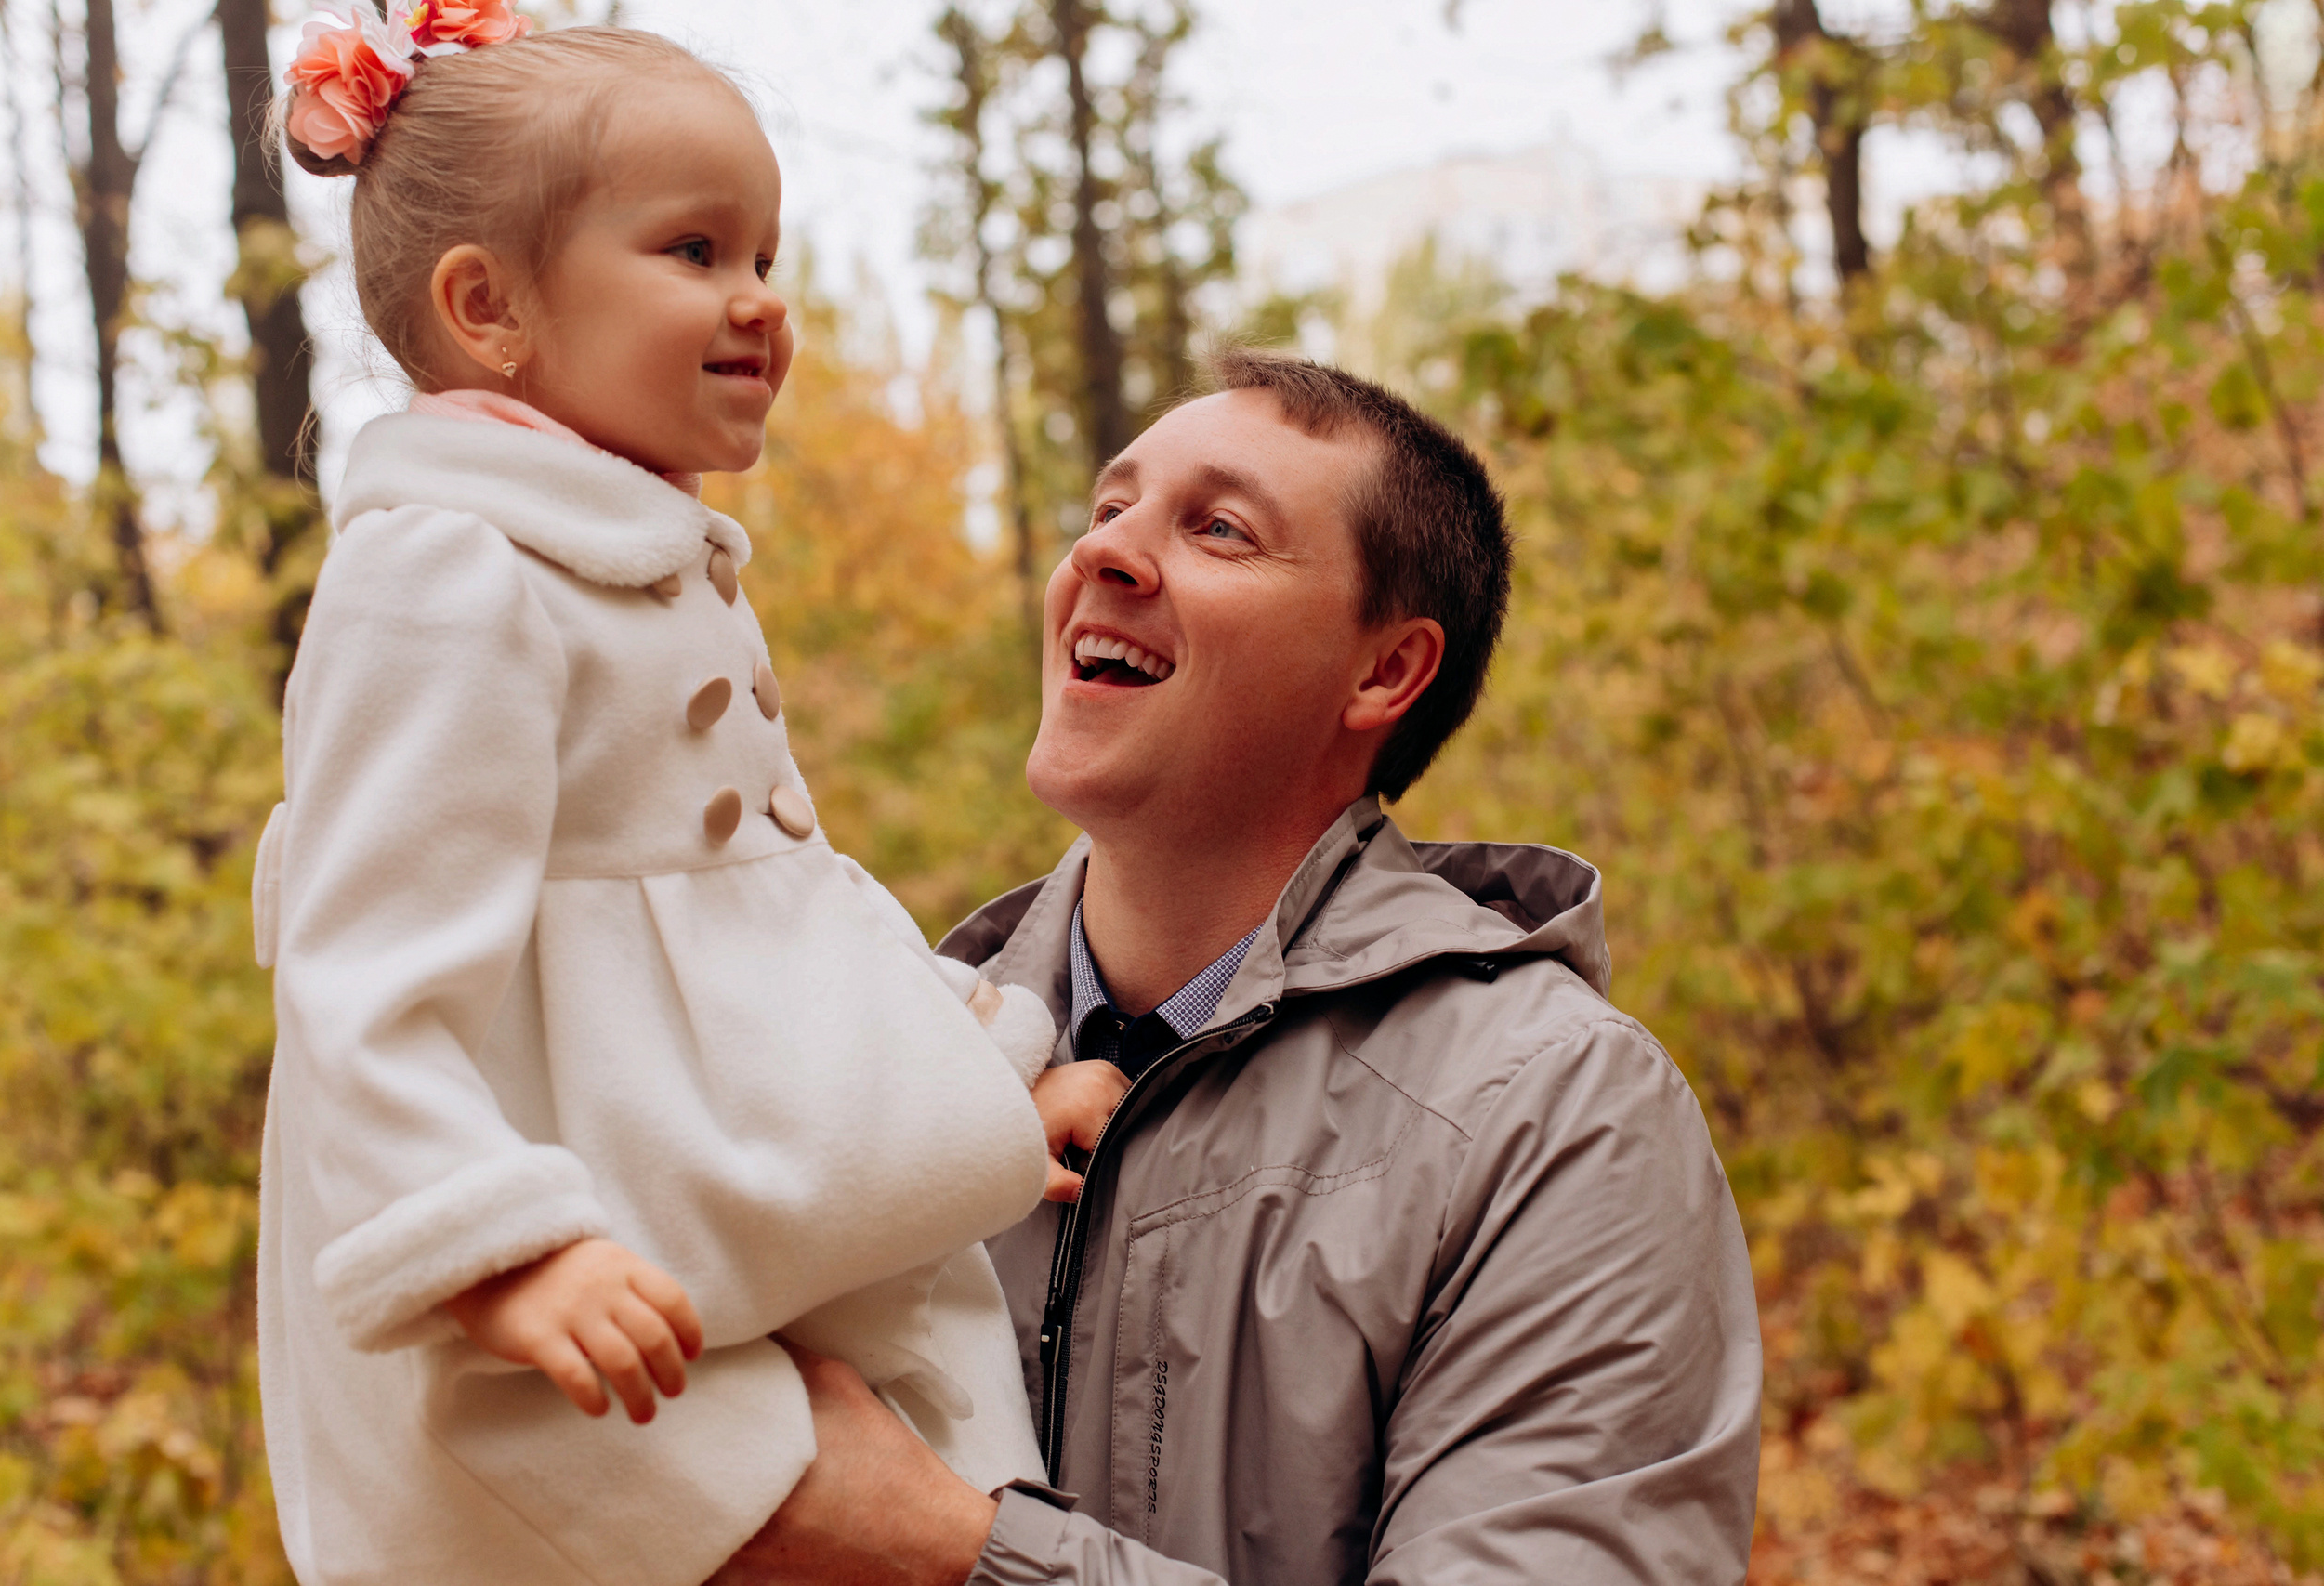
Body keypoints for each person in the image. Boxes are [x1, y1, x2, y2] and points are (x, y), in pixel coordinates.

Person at [250, 11, 1127, 1585]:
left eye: (767, 254)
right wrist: (498, 1253)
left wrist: (980, 1082)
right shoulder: (447, 569)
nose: (762, 299)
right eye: (695, 249)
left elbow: (765, 925)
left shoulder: (636, 559)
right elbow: (361, 972)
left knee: (939, 1459)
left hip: (714, 1222)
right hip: (586, 1275)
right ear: (488, 308)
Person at [727, 350, 1765, 1586]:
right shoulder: (887, 1049)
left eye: (1220, 529)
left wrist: (963, 1557)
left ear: (1385, 671)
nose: (1104, 552)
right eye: (1110, 507)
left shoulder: (1556, 1114)